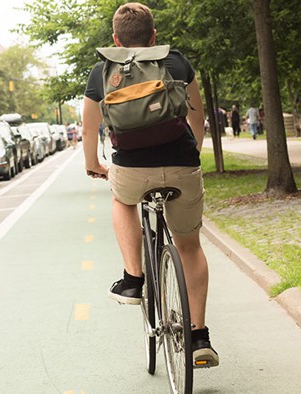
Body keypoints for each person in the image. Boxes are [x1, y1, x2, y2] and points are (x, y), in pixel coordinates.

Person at [81, 2, 218, 368]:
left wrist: (94, 165)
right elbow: (197, 114)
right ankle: (199, 336)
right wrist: (193, 152)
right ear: (153, 36)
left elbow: (89, 127)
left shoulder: (101, 71)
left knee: (121, 201)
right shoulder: (176, 62)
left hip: (131, 168)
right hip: (181, 164)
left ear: (116, 40)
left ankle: (132, 280)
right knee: (189, 246)